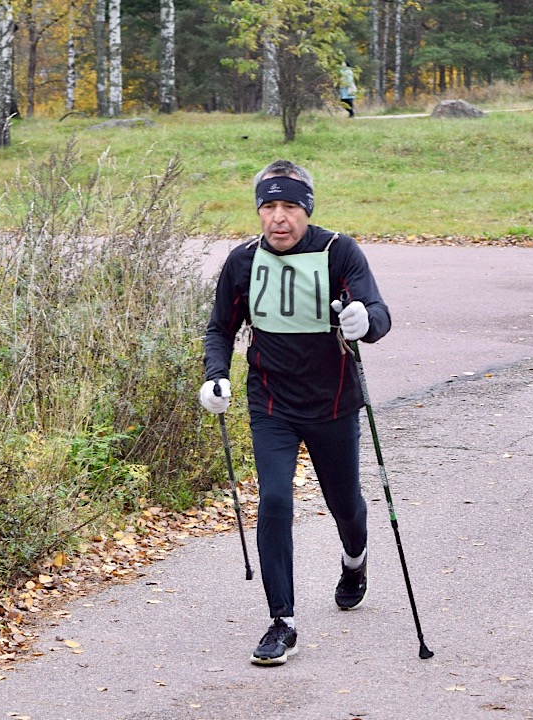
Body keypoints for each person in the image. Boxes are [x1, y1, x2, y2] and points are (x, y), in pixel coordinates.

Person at [199, 159, 391, 665]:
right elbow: (220, 328)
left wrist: (361, 319)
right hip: (271, 403)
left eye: (289, 207)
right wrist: (213, 374)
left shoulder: (337, 252)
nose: (278, 218)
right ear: (259, 211)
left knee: (344, 504)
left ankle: (355, 560)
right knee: (276, 501)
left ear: (306, 210)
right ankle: (281, 622)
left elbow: (379, 315)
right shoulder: (243, 261)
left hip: (332, 403)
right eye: (268, 207)